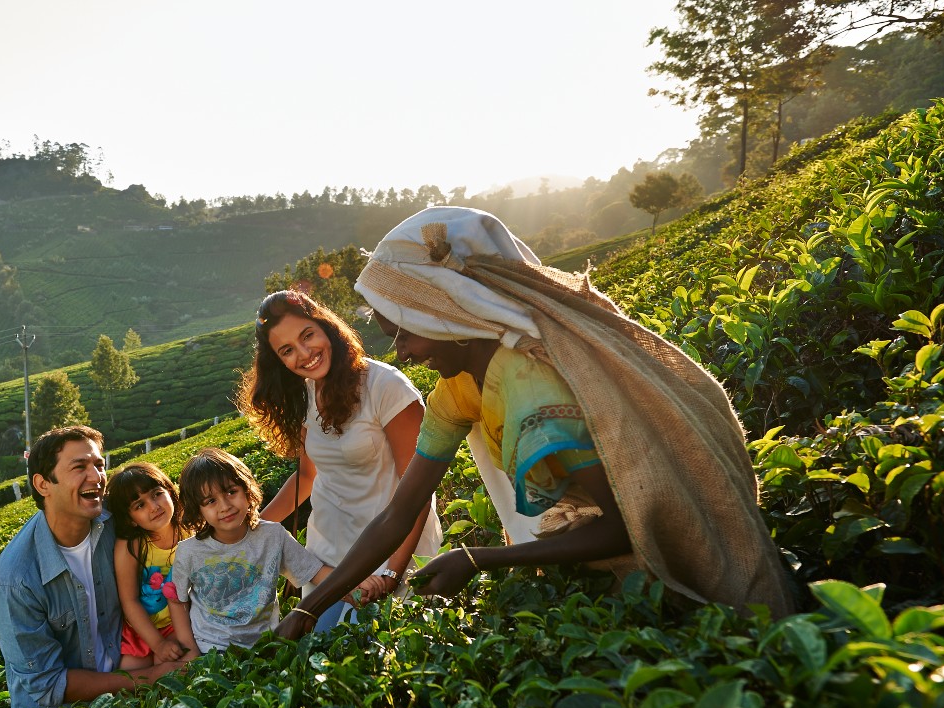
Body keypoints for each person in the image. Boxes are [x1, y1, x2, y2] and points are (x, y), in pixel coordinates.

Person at [275, 206, 795, 641]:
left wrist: (481, 559)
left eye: (407, 334)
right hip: (597, 583)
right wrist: (308, 607)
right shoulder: (459, 390)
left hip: (663, 577)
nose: (403, 352)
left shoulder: (530, 385)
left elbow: (621, 529)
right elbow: (399, 512)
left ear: (445, 314)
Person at [242, 289, 441, 625]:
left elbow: (418, 492)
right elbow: (307, 477)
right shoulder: (306, 394)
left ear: (326, 328)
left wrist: (393, 571)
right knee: (322, 658)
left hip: (388, 552)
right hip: (328, 559)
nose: (304, 354)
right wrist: (250, 533)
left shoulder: (385, 386)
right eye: (287, 350)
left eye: (308, 335)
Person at [0, 425, 185, 708]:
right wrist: (153, 676)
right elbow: (48, 684)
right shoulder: (15, 580)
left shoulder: (115, 522)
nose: (96, 477)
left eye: (99, 465)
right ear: (43, 485)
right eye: (79, 467)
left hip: (127, 693)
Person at [172, 447, 382, 651]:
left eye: (231, 491)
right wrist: (190, 650)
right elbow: (177, 600)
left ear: (247, 490)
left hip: (267, 645)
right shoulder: (189, 552)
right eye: (210, 501)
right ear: (197, 510)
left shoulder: (272, 535)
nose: (225, 505)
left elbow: (314, 571)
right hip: (211, 649)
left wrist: (354, 585)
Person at [104, 462, 197, 664]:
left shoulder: (190, 529)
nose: (153, 506)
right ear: (131, 519)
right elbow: (129, 600)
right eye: (140, 505)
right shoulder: (131, 545)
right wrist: (157, 644)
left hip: (181, 622)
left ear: (170, 492)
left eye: (156, 494)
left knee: (169, 668)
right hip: (142, 629)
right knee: (133, 682)